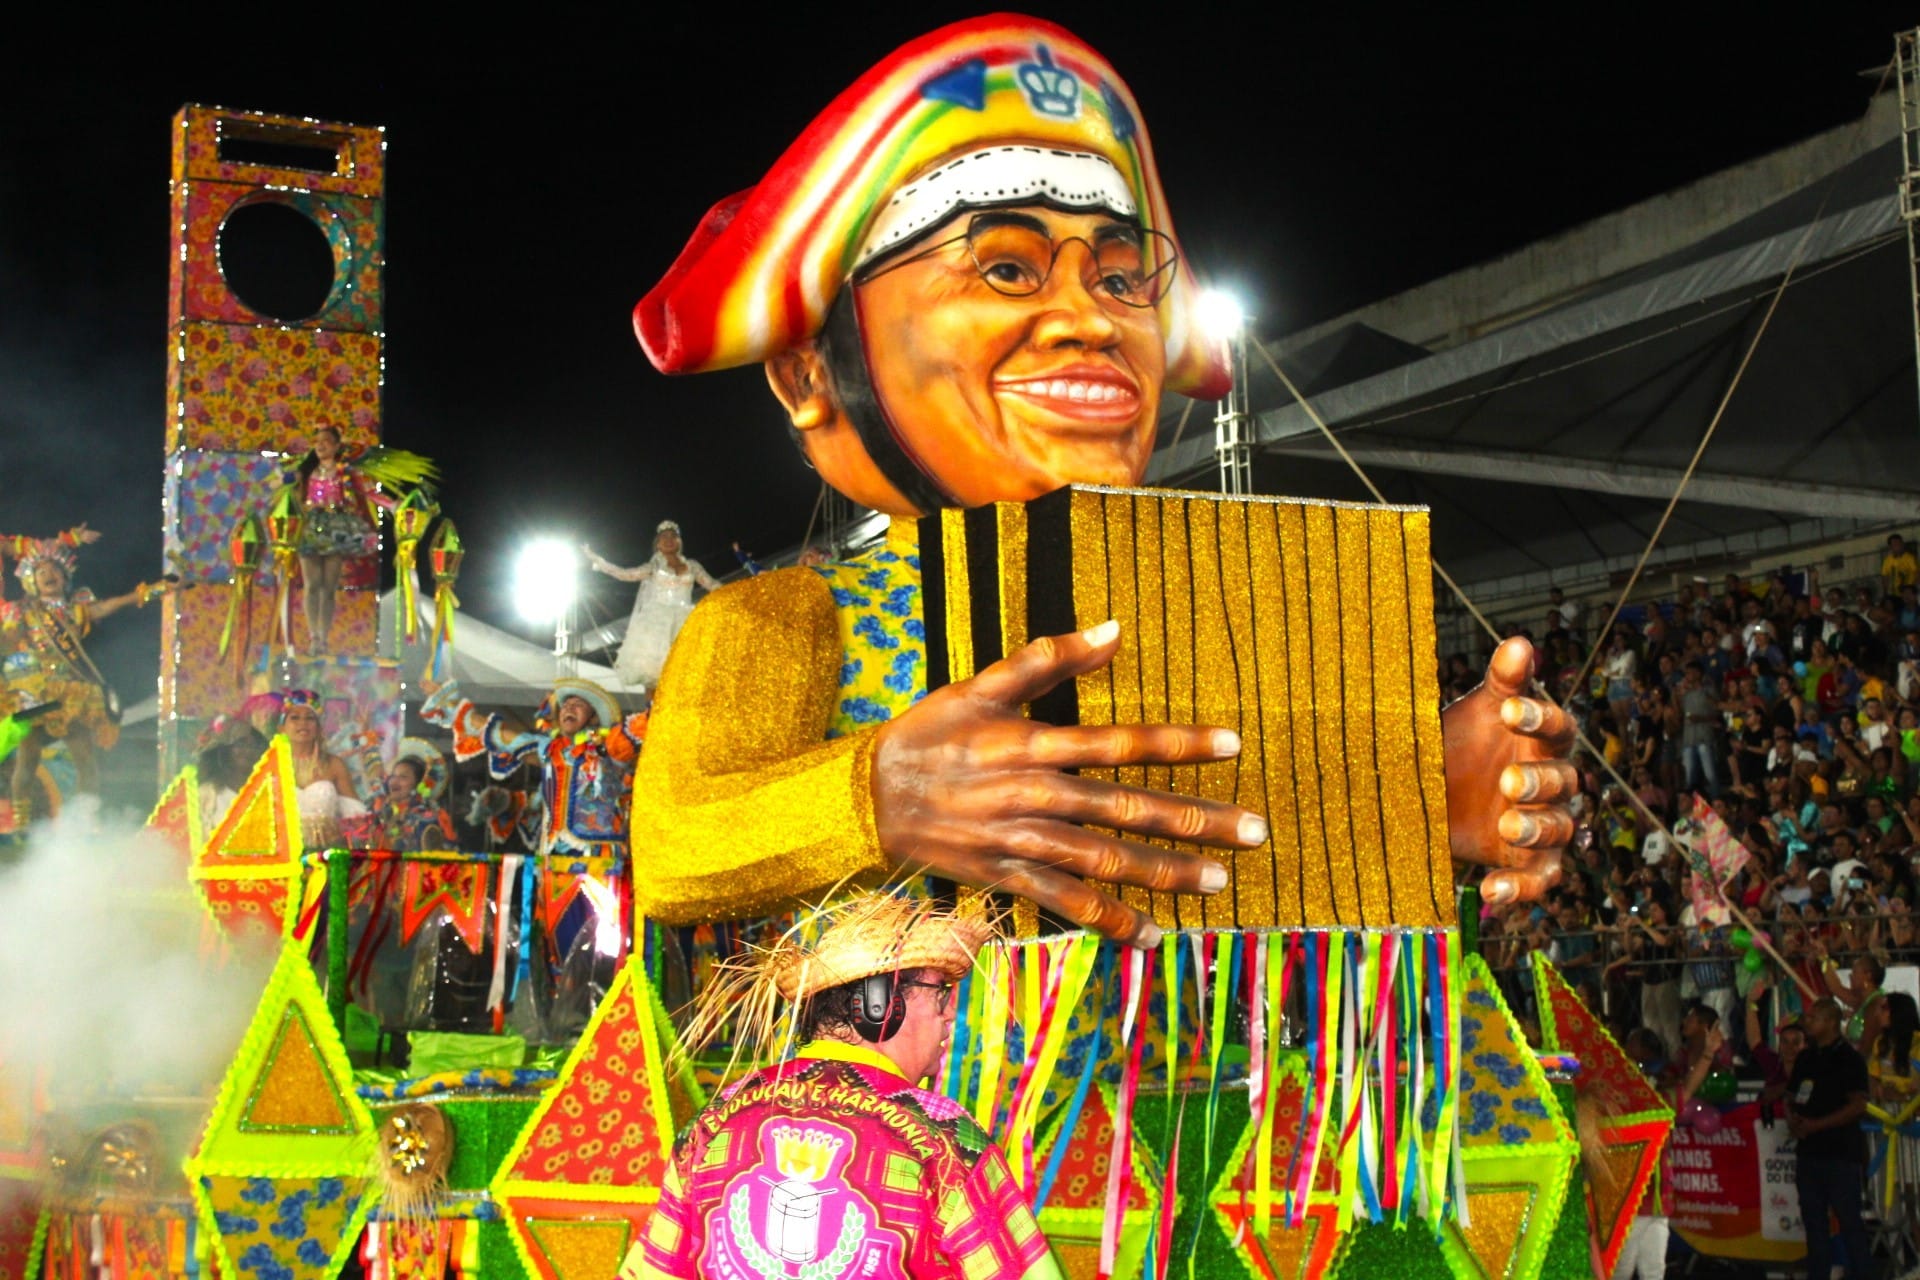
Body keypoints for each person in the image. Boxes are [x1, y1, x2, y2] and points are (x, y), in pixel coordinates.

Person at [624, 14, 1578, 942]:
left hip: (1199, 1097)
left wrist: (1415, 792)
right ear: (807, 374)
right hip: (900, 1103)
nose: (1093, 319)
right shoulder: (782, 619)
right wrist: (874, 793)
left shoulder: (1214, 608)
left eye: (1122, 281)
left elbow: (1226, 842)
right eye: (1005, 268)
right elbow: (669, 846)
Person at [623, 893, 1060, 1280]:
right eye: (940, 992)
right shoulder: (943, 1138)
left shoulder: (717, 1119)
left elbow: (654, 1268)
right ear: (881, 1005)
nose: (949, 1014)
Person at [421, 675, 646, 1032]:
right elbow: (496, 735)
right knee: (559, 946)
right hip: (554, 865)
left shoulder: (609, 748)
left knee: (606, 947)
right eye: (564, 704)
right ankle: (568, 1023)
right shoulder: (547, 749)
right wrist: (449, 705)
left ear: (592, 718)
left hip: (602, 865)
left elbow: (647, 728)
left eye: (579, 705)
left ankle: (613, 1024)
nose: (569, 708)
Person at [0, 538, 171, 820]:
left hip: (72, 696)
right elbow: (8, 641)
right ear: (31, 581)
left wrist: (155, 591)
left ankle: (85, 821)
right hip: (35, 694)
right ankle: (20, 823)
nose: (48, 575)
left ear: (64, 577)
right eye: (41, 572)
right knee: (28, 758)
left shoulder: (76, 608)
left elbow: (113, 605)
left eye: (54, 570)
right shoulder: (24, 612)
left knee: (85, 759)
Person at [288, 425, 435, 656]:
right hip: (311, 529)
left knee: (328, 588)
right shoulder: (307, 470)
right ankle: (313, 636)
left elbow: (369, 492)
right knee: (312, 585)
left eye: (326, 441)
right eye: (317, 441)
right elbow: (286, 484)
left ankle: (323, 639)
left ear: (337, 446)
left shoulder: (346, 471)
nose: (320, 444)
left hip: (336, 529)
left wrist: (394, 505)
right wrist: (282, 478)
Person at [584, 520, 722, 694]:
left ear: (679, 541)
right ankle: (651, 716)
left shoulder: (692, 566)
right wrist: (599, 561)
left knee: (686, 674)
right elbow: (625, 574)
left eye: (673, 536)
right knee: (654, 676)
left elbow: (713, 585)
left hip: (686, 622)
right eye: (664, 537)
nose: (669, 540)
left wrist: (738, 591)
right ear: (658, 544)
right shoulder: (653, 567)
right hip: (658, 624)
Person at [1787, 998, 1872, 1280]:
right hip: (1809, 1152)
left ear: (1831, 1023)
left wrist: (1818, 1125)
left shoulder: (1849, 1058)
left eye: (1813, 1018)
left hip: (1840, 1153)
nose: (1808, 1023)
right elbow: (1792, 1095)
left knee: (1850, 1223)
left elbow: (1858, 1105)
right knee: (1814, 1226)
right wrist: (1793, 1119)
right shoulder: (1806, 1057)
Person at [280, 689, 366, 851]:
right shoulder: (271, 764)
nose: (302, 723)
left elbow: (356, 817)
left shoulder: (334, 765)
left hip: (328, 855)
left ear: (319, 728)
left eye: (310, 718)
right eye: (295, 717)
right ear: (282, 728)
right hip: (283, 857)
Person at [364, 738, 456, 853]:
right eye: (393, 775)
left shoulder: (429, 818)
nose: (394, 781)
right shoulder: (382, 811)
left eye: (403, 777)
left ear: (419, 784)